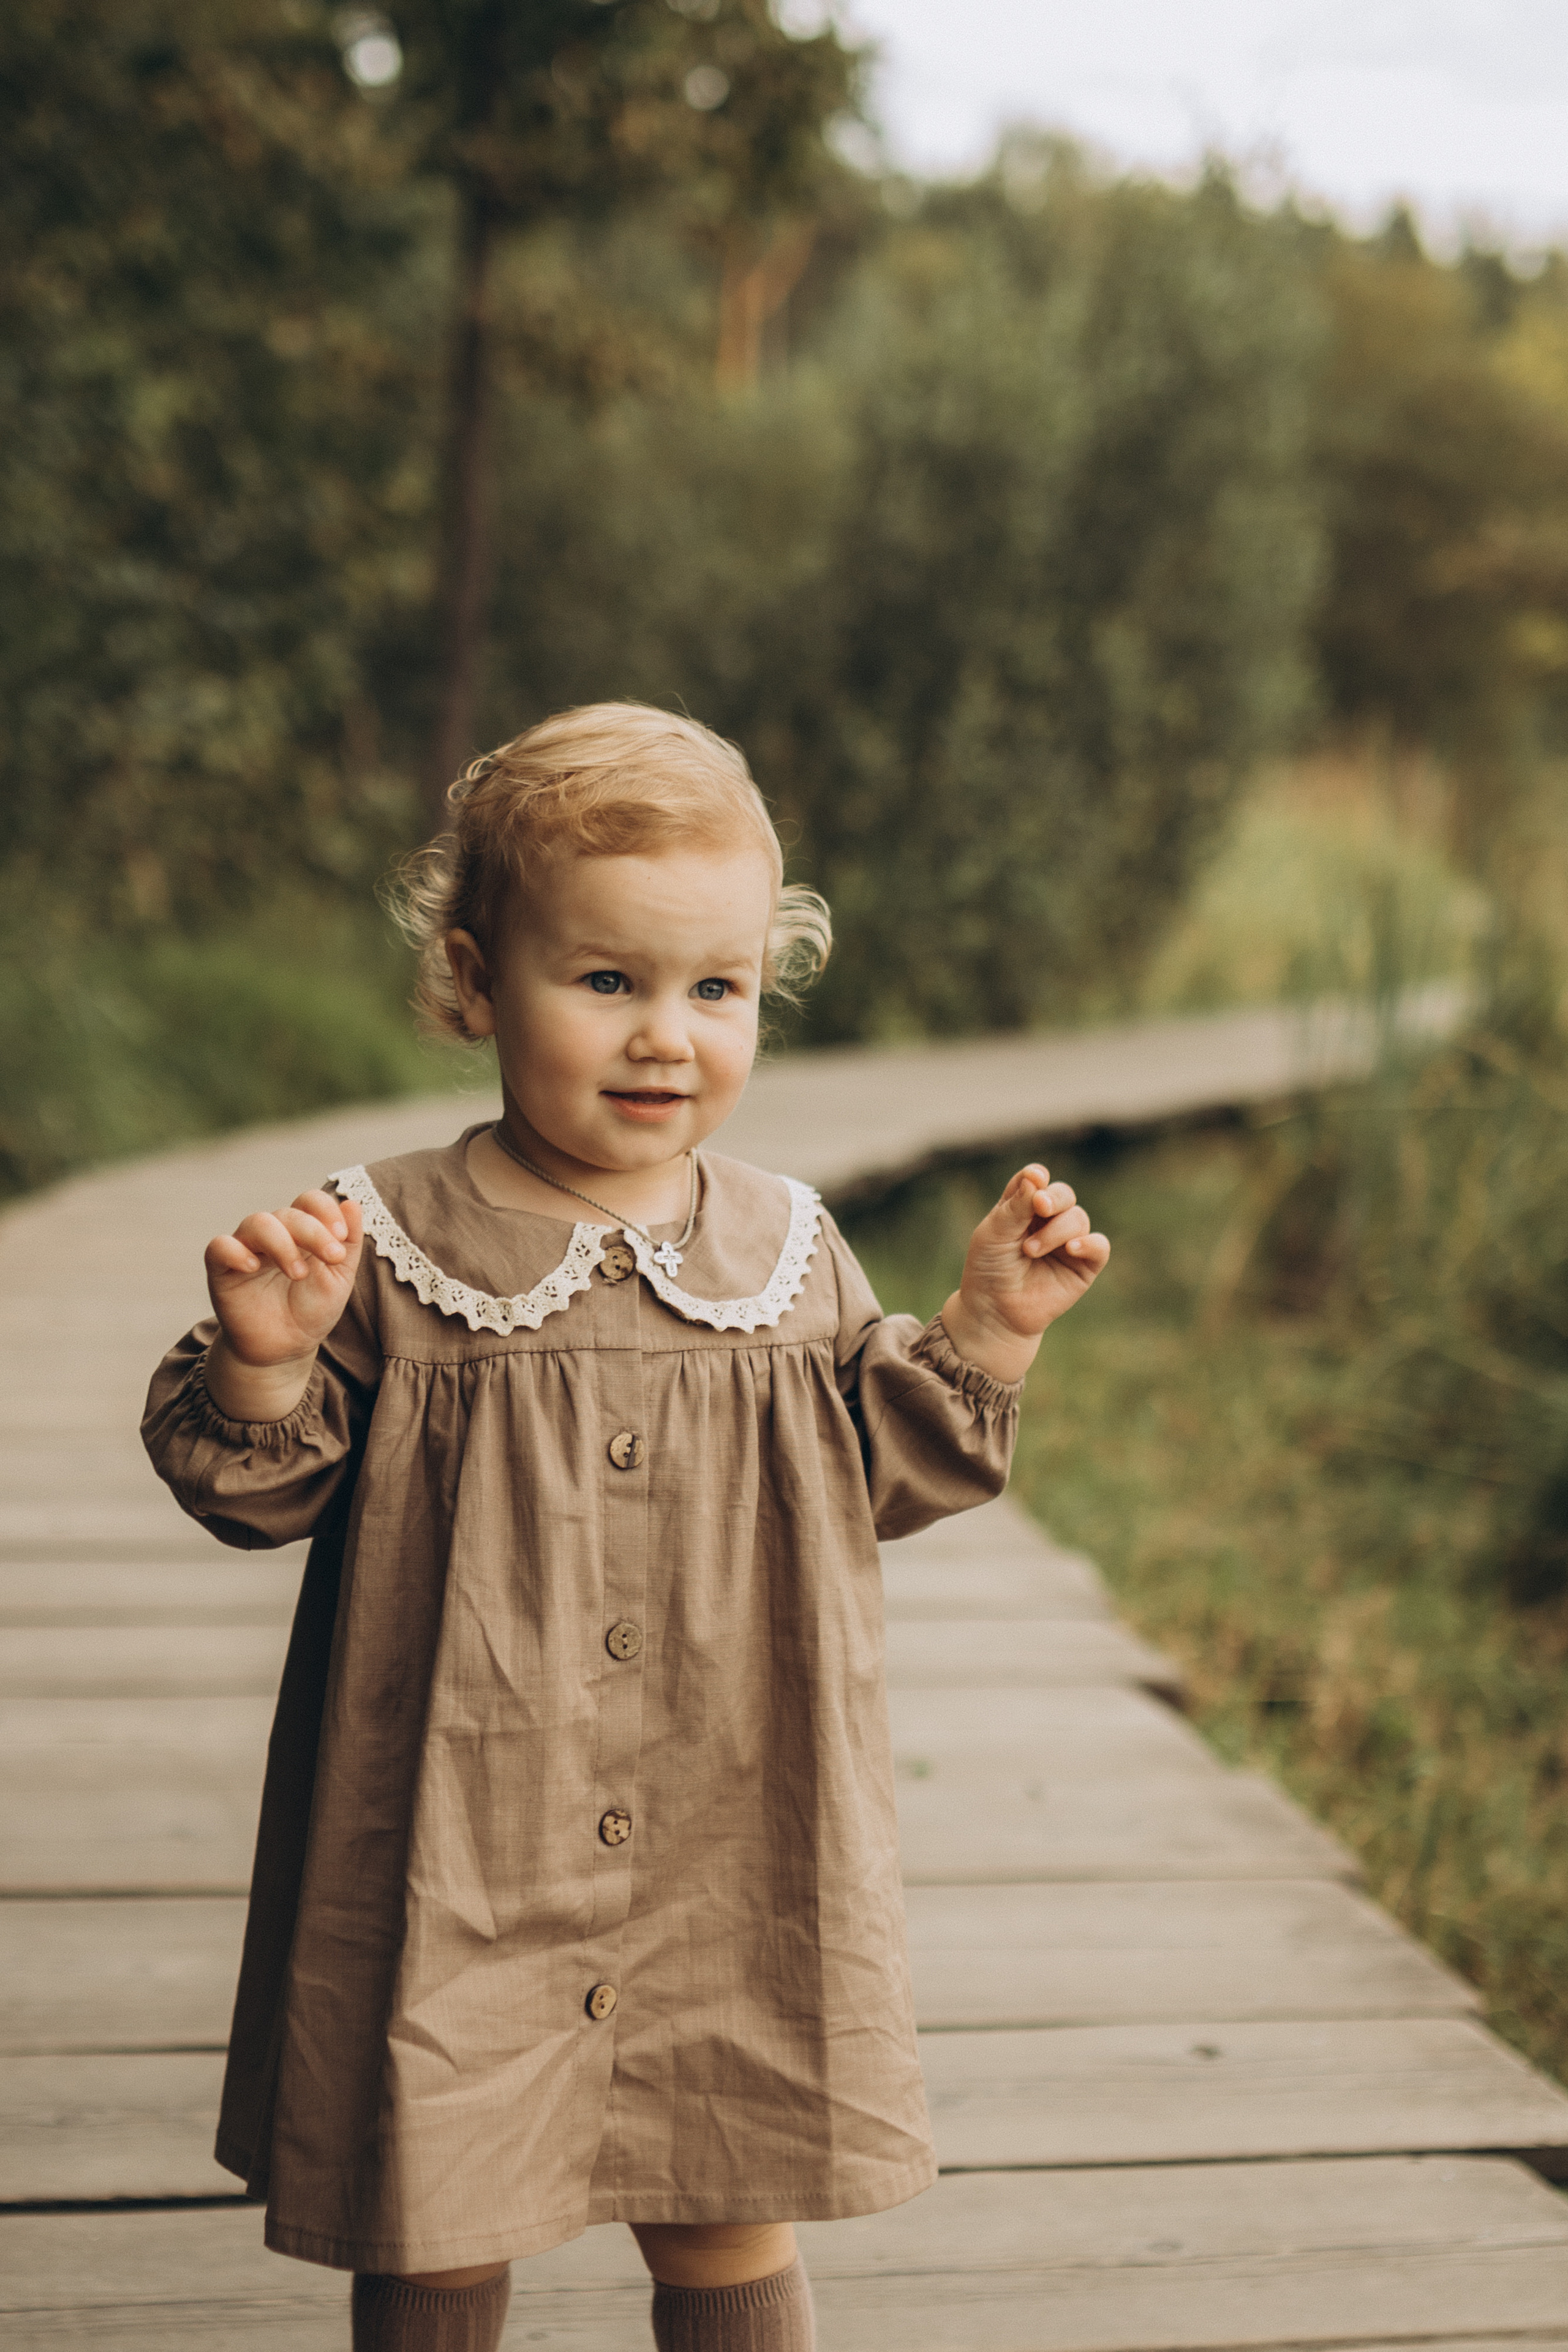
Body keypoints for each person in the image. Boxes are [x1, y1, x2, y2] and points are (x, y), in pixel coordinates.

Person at [142, 703, 1109, 2352]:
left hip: (732, 1841)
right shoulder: (383, 1241)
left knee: (728, 2201)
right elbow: (262, 1486)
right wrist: (267, 1354)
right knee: (439, 2216)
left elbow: (875, 1475)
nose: (667, 1036)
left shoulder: (792, 1254)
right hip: (454, 1843)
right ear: (471, 982)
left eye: (714, 991)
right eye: (608, 983)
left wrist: (992, 1330)